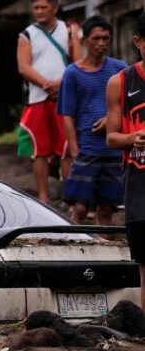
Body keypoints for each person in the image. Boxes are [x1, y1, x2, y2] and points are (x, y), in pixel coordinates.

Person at [58, 16, 127, 226]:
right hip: (87, 148)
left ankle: (105, 253)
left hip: (114, 148)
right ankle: (73, 250)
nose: (101, 43)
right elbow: (66, 115)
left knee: (107, 208)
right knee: (79, 207)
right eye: (96, 38)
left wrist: (112, 119)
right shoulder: (72, 73)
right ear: (85, 40)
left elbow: (131, 105)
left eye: (106, 38)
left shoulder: (120, 68)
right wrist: (75, 150)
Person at [16, 0, 81, 203]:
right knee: (40, 151)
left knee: (66, 149)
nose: (39, 11)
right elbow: (23, 67)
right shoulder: (27, 34)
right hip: (36, 99)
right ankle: (43, 197)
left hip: (65, 98)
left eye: (44, 7)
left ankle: (67, 197)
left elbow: (78, 62)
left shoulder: (70, 30)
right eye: (36, 7)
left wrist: (61, 83)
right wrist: (46, 84)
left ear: (55, 7)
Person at [106, 11, 145, 314]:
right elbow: (111, 137)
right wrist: (134, 139)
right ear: (138, 42)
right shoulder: (121, 82)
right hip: (139, 187)